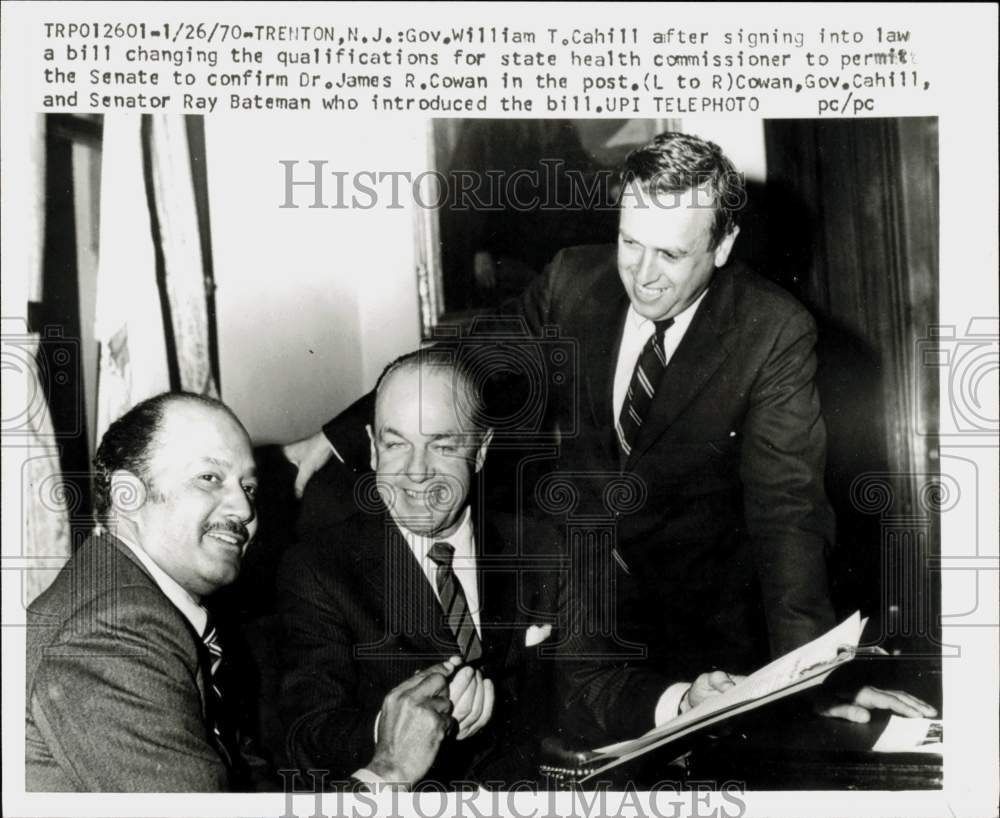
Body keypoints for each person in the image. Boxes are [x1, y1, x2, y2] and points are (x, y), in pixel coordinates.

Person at [283, 131, 938, 726]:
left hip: (703, 629)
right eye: (630, 242)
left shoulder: (771, 331)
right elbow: (474, 360)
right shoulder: (574, 279)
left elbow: (787, 514)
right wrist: (343, 431)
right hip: (576, 619)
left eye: (671, 254)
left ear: (723, 245)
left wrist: (811, 677)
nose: (643, 275)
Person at [277, 350, 749, 788]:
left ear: (481, 450)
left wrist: (685, 702)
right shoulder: (319, 568)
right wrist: (393, 726)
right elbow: (308, 731)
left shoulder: (543, 546)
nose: (415, 472)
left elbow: (592, 683)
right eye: (396, 444)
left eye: (442, 445)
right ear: (373, 449)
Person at [25, 391, 453, 792]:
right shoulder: (113, 632)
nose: (245, 509)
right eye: (210, 477)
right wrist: (390, 769)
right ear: (127, 495)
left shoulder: (151, 607)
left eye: (248, 487)